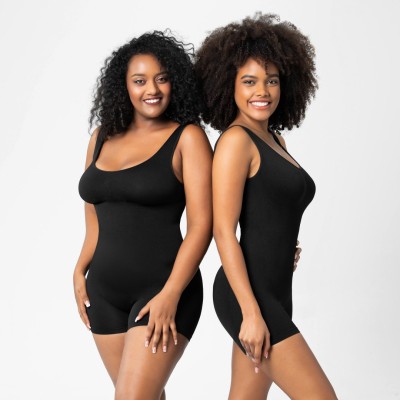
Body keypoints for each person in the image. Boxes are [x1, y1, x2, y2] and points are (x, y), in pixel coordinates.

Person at [195, 13, 337, 399]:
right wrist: (251, 313)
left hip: (277, 288)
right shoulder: (235, 142)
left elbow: (272, 208)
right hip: (248, 296)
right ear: (228, 84)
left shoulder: (274, 140)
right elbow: (223, 231)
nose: (263, 91)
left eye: (271, 80)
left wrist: (282, 246)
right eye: (249, 81)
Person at [74, 31, 212, 400]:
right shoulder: (100, 138)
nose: (151, 89)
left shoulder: (188, 138)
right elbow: (94, 214)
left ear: (174, 82)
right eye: (139, 80)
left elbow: (202, 226)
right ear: (124, 86)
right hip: (103, 294)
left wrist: (171, 294)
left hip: (164, 290)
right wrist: (79, 269)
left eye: (161, 78)